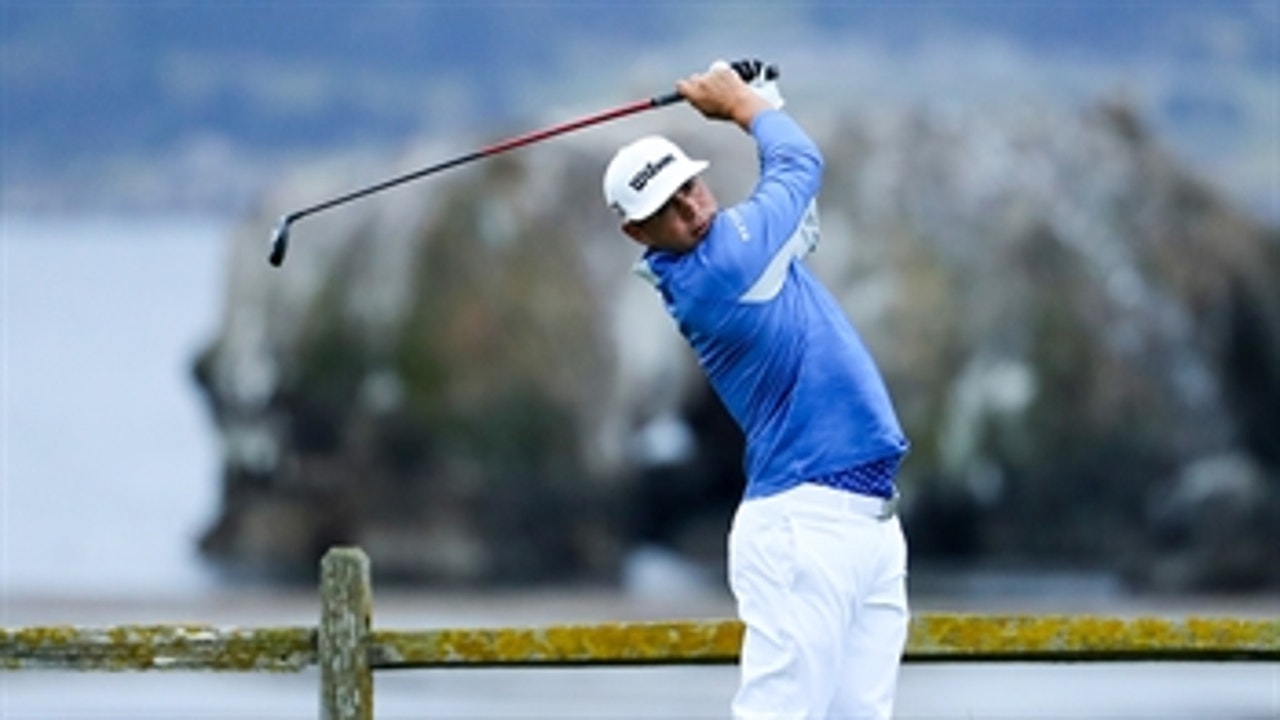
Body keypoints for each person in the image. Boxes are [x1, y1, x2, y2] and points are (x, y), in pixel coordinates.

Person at [603, 60, 911, 720]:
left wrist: (765, 96)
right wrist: (742, 105)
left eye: (690, 187)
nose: (692, 207)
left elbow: (802, 227)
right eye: (667, 208)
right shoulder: (720, 270)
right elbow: (800, 165)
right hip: (806, 525)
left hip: (867, 524)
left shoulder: (743, 252)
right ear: (637, 230)